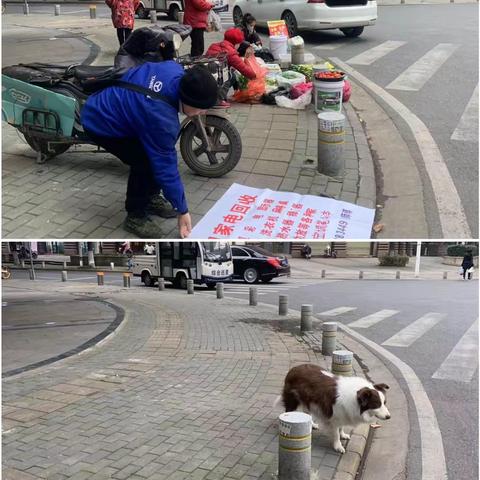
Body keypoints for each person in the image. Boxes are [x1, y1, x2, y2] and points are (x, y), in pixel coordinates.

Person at [81, 62, 219, 238]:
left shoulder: (174, 69)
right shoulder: (161, 119)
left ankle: (151, 197)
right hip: (101, 120)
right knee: (145, 160)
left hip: (119, 106)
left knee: (152, 155)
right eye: (200, 109)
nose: (202, 112)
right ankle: (135, 216)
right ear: (187, 100)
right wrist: (182, 210)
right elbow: (167, 169)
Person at [206, 28, 256, 106]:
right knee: (230, 76)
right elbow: (244, 69)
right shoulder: (230, 53)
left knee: (229, 72)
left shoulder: (214, 45)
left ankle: (217, 96)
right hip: (217, 76)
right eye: (239, 43)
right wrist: (255, 76)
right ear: (236, 43)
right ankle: (218, 100)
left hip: (208, 75)